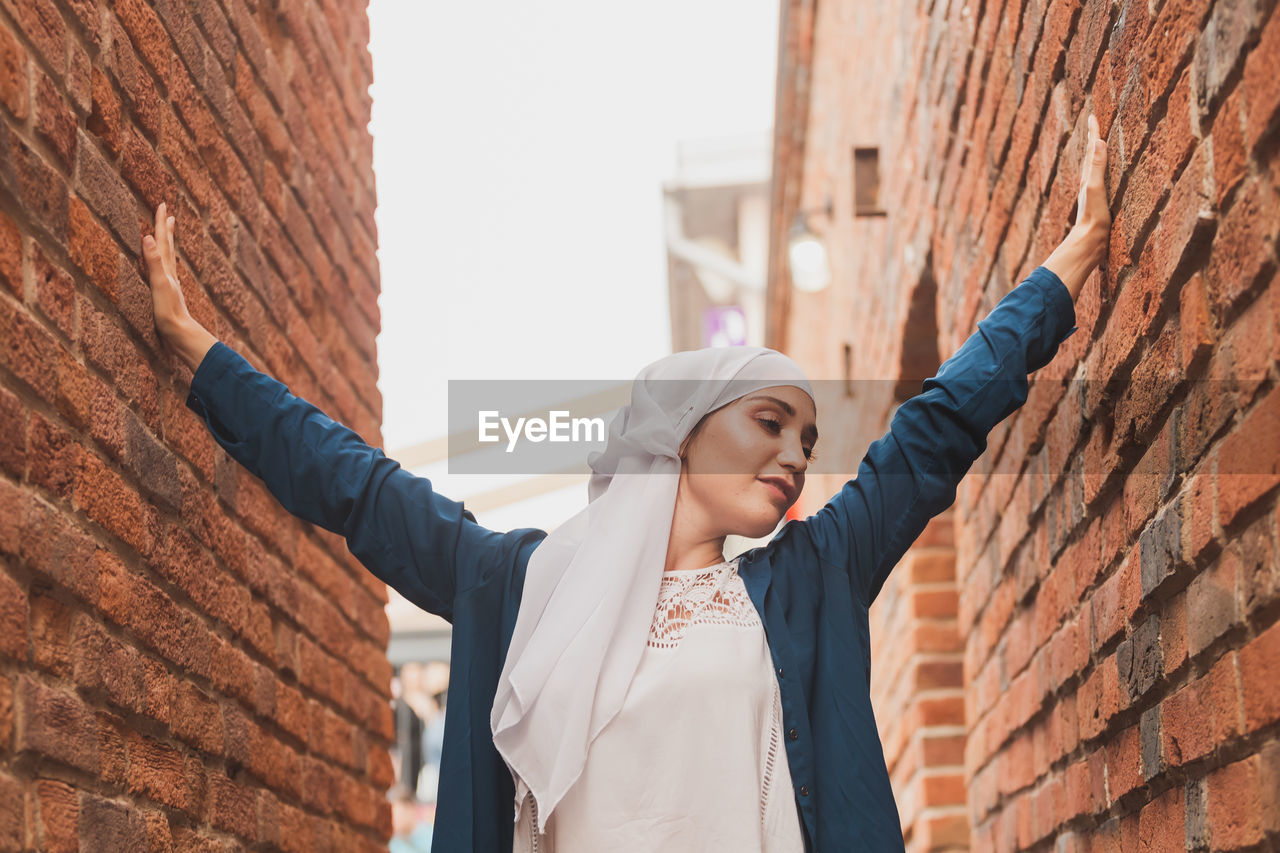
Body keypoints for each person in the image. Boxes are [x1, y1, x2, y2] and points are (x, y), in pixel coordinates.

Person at [141, 115, 1110, 851]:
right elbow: (354, 484)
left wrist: (1058, 277)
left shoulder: (808, 578)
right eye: (766, 423)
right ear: (678, 437)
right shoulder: (515, 587)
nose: (790, 455)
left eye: (805, 436)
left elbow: (930, 433)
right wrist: (202, 358)